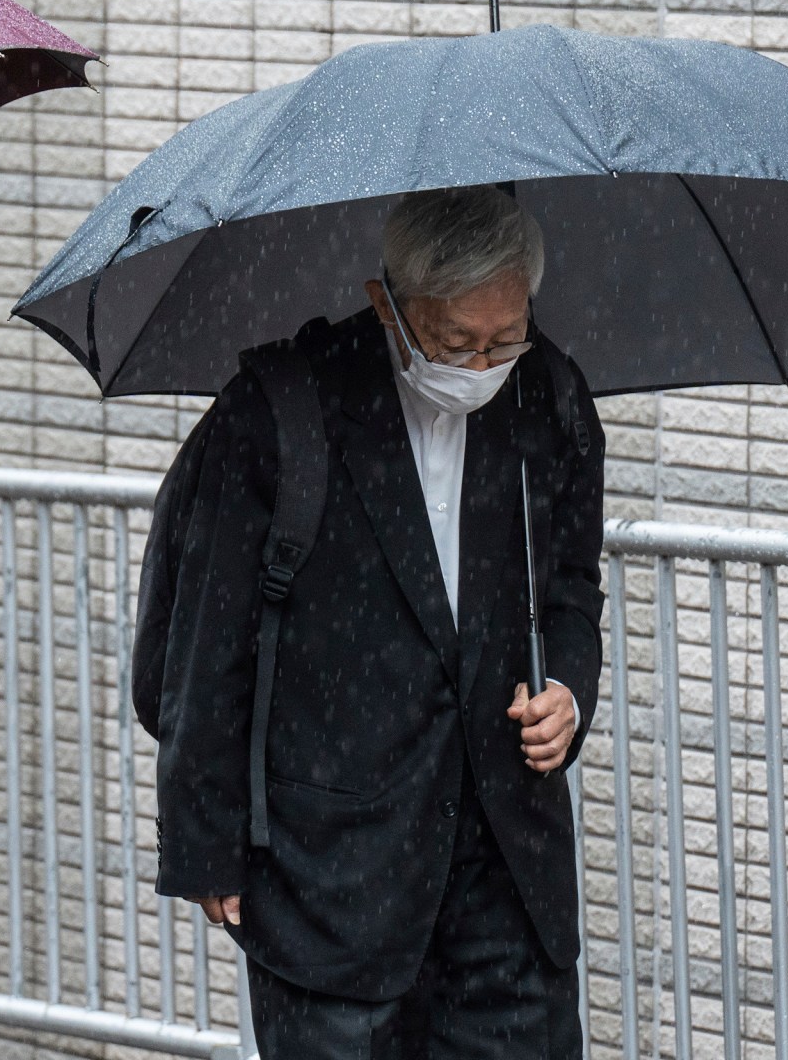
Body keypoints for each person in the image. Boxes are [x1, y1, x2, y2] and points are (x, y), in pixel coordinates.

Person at [153, 185, 608, 1059]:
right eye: (454, 342)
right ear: (386, 304)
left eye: (504, 338)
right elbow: (210, 639)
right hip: (331, 865)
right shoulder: (281, 409)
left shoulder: (549, 397)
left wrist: (570, 696)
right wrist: (206, 840)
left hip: (506, 863)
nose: (481, 367)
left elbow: (572, 591)